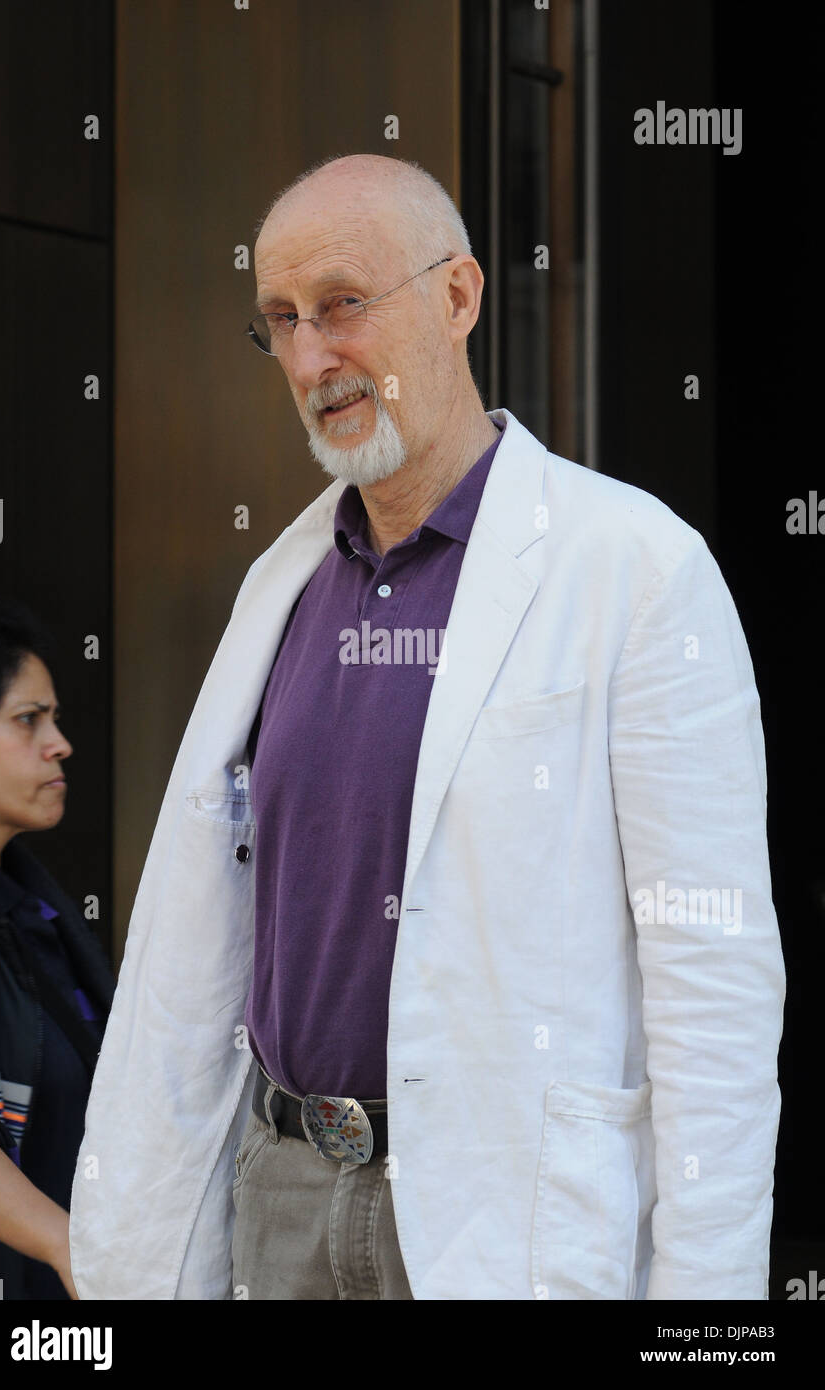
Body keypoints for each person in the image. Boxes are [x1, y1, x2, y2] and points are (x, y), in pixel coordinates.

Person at [70, 154, 785, 1300]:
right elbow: (212, 943)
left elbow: (715, 982)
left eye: (343, 305)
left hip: (502, 1214)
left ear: (457, 298)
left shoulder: (638, 567)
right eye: (281, 322)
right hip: (284, 1192)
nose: (311, 358)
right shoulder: (283, 586)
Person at [0, 596, 114, 1299]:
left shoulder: (38, 912)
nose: (60, 743)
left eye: (52, 717)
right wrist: (64, 1245)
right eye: (28, 720)